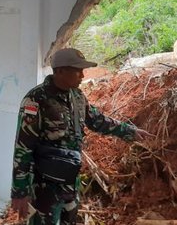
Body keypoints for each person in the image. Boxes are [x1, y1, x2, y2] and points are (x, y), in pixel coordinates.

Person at [10, 48, 152, 225]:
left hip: (70, 182)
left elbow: (97, 120)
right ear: (60, 71)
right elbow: (23, 146)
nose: (82, 75)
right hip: (43, 186)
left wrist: (129, 131)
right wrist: (20, 191)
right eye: (77, 70)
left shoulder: (77, 97)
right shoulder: (36, 100)